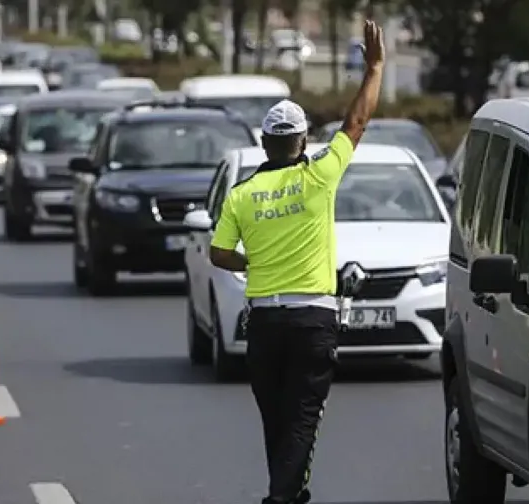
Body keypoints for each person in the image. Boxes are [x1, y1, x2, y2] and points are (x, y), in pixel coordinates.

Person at [208, 20, 386, 504]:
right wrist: (373, 69)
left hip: (264, 321)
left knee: (278, 420)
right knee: (302, 419)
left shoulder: (242, 195)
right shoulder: (319, 177)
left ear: (265, 144)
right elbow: (356, 124)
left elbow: (218, 253)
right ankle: (282, 498)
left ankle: (286, 493)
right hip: (314, 320)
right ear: (303, 142)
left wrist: (251, 261)